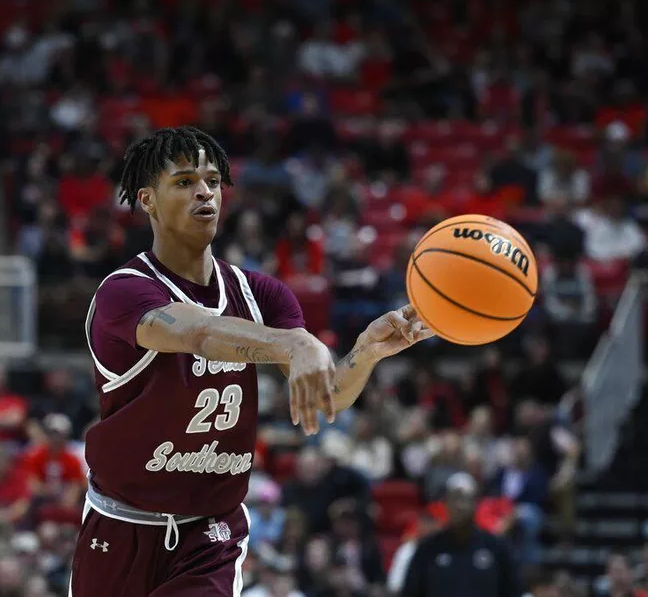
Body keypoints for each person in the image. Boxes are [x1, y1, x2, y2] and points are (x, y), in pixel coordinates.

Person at [70, 126, 433, 596]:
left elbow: (327, 399)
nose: (204, 192)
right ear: (148, 200)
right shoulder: (124, 291)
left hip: (209, 534)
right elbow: (197, 331)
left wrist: (366, 353)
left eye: (213, 181)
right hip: (119, 525)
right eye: (184, 182)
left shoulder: (261, 294)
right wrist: (293, 345)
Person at [400, 472, 521, 597]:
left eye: (466, 499)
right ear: (446, 503)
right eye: (454, 498)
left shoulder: (497, 548)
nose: (460, 506)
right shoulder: (427, 549)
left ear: (476, 503)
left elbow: (513, 591)